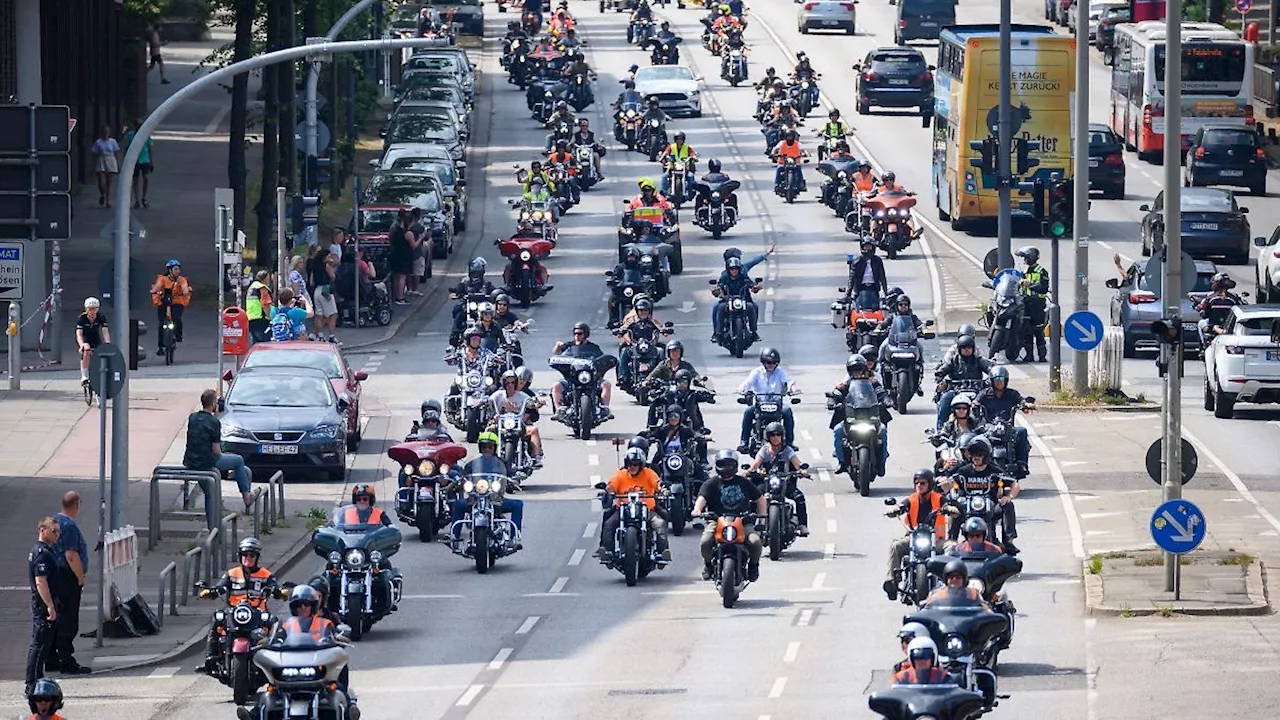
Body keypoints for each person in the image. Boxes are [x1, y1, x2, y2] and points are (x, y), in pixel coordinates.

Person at [197, 537, 280, 673]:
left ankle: (276, 661)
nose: (248, 558)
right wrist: (210, 592)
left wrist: (279, 591)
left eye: (252, 555)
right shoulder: (231, 574)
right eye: (245, 554)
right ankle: (210, 658)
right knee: (217, 618)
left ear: (257, 557)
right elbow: (219, 587)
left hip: (257, 612)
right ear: (240, 556)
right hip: (235, 612)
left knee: (274, 623)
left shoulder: (265, 575)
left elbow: (275, 587)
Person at [693, 449, 766, 582]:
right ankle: (708, 565)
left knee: (755, 542)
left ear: (735, 466)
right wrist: (697, 510)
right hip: (717, 520)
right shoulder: (711, 483)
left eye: (729, 465)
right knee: (705, 541)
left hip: (742, 521)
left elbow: (760, 499)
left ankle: (753, 566)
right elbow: (702, 498)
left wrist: (762, 519)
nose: (726, 468)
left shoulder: (743, 482)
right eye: (723, 464)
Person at [183, 388, 255, 521]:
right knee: (238, 460)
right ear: (213, 404)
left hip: (191, 462)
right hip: (207, 463)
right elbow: (216, 450)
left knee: (209, 492)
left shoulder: (193, 417)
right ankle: (246, 496)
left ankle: (213, 529)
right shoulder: (214, 422)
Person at [883, 469, 952, 601]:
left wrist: (952, 508)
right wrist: (895, 509)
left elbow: (951, 504)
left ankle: (953, 584)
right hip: (914, 538)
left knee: (952, 548)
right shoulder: (912, 499)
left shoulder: (939, 498)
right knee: (896, 545)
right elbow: (902, 505)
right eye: (917, 483)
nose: (919, 486)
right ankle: (892, 582)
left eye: (922, 483)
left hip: (936, 540)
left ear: (930, 484)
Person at [450, 432, 525, 545]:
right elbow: (463, 478)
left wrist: (514, 479)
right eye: (484, 447)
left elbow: (510, 474)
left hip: (496, 500)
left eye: (490, 447)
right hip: (475, 499)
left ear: (495, 448)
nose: (487, 449)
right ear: (480, 448)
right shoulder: (471, 464)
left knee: (518, 504)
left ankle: (514, 537)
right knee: (459, 504)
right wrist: (459, 483)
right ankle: (454, 536)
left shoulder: (502, 463)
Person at [596, 447, 670, 560]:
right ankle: (607, 551)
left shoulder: (649, 473)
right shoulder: (621, 475)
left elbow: (657, 483)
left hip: (648, 510)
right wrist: (609, 492)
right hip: (623, 510)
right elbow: (611, 486)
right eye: (630, 464)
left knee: (660, 524)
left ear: (641, 464)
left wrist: (663, 489)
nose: (632, 467)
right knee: (609, 524)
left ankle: (662, 553)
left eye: (635, 464)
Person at [949, 436, 1020, 554]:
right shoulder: (963, 471)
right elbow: (949, 483)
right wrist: (946, 488)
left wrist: (1009, 497)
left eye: (980, 454)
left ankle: (1009, 541)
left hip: (990, 507)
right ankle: (951, 541)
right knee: (953, 510)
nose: (976, 457)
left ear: (986, 455)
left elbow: (1014, 484)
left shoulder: (995, 471)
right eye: (973, 453)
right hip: (967, 507)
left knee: (1008, 505)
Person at [746, 422, 811, 536]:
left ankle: (802, 524)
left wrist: (802, 470)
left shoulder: (787, 450)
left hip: (783, 482)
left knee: (799, 497)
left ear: (782, 436)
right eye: (772, 435)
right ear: (768, 437)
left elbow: (797, 463)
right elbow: (756, 464)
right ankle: (751, 523)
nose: (775, 438)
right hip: (766, 482)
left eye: (778, 435)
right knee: (753, 497)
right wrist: (748, 471)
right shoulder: (764, 450)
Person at [830, 354, 890, 475]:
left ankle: (882, 462)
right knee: (837, 430)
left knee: (882, 431)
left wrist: (887, 400)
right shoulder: (845, 385)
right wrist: (832, 401)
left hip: (871, 418)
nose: (857, 372)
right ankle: (842, 462)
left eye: (859, 369)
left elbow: (882, 393)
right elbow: (836, 394)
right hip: (851, 419)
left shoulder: (873, 382)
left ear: (864, 370)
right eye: (854, 370)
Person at [50, 493, 90, 675]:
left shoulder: (54, 521)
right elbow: (71, 555)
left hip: (54, 575)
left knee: (56, 617)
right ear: (76, 505)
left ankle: (51, 658)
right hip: (67, 576)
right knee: (68, 619)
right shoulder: (69, 526)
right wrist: (80, 577)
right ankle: (66, 659)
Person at [975, 366, 1032, 477]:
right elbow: (976, 402)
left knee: (1022, 431)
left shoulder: (1012, 394)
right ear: (992, 381)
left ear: (1006, 380)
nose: (999, 382)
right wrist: (974, 405)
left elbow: (1021, 401)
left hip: (1008, 427)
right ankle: (974, 464)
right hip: (989, 427)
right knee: (975, 436)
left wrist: (1026, 405)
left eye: (1002, 379)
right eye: (997, 379)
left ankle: (1022, 463)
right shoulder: (984, 394)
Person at [26, 518, 61, 697]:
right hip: (42, 604)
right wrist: (49, 605)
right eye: (54, 531)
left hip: (45, 602)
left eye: (58, 531)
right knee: (39, 644)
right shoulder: (41, 552)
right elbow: (41, 581)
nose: (57, 534)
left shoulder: (46, 550)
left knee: (43, 644)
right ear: (43, 530)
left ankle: (37, 679)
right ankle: (32, 683)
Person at [738, 348, 797, 450]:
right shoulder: (756, 372)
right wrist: (742, 389)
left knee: (787, 411)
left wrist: (794, 389)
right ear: (763, 362)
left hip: (777, 404)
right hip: (759, 404)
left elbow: (789, 382)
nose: (771, 365)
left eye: (774, 363)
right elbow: (747, 383)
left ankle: (789, 442)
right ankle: (744, 442)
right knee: (748, 411)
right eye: (769, 362)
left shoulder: (780, 372)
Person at [550, 322, 613, 415]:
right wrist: (558, 346)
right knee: (556, 386)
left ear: (586, 334)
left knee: (606, 384)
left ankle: (605, 409)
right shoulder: (568, 346)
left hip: (590, 378)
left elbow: (601, 360)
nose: (577, 336)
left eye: (579, 333)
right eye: (575, 334)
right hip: (572, 378)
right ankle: (559, 410)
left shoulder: (594, 347)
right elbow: (556, 353)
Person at [934, 335, 992, 430]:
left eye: (969, 347)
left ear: (973, 349)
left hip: (976, 390)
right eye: (964, 347)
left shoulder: (978, 360)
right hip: (956, 390)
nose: (967, 350)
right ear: (959, 349)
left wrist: (991, 379)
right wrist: (939, 375)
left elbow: (990, 370)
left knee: (988, 399)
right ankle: (940, 429)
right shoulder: (954, 360)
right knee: (945, 397)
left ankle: (990, 426)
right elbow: (943, 370)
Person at [489, 370, 545, 467]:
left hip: (519, 425)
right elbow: (489, 402)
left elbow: (531, 404)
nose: (510, 385)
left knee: (533, 430)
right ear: (503, 383)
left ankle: (536, 457)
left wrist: (537, 404)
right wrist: (493, 414)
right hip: (500, 424)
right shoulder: (498, 395)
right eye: (507, 382)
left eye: (513, 382)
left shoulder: (523, 396)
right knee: (488, 431)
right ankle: (485, 457)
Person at [711, 255, 761, 343]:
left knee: (753, 306)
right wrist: (716, 291)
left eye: (736, 269)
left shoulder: (743, 276)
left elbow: (751, 285)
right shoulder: (724, 277)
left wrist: (755, 287)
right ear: (728, 269)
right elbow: (719, 288)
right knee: (718, 307)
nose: (734, 271)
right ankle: (717, 333)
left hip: (743, 301)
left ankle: (754, 332)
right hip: (727, 301)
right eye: (732, 269)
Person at [1016, 246, 1049, 361]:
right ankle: (1029, 355)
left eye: (1025, 257)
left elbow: (1043, 287)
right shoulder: (1024, 271)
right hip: (1025, 304)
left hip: (1037, 305)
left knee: (1038, 331)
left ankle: (1042, 356)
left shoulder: (1042, 271)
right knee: (1026, 331)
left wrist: (1030, 284)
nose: (1024, 260)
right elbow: (1018, 283)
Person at [1196, 271, 1245, 343]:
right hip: (1230, 326)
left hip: (1213, 326)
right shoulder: (1233, 298)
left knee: (1200, 323)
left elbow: (1205, 314)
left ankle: (1203, 345)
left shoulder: (1210, 298)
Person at [75, 297, 110, 385]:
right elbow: (79, 334)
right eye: (90, 309)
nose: (92, 312)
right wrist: (81, 345)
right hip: (86, 339)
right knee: (86, 349)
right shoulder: (81, 318)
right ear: (86, 309)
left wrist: (107, 343)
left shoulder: (101, 317)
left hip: (96, 339)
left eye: (95, 309)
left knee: (102, 352)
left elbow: (105, 332)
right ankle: (84, 376)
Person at [389, 209, 420, 306]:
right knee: (402, 277)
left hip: (395, 254)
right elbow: (414, 245)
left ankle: (395, 296)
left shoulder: (395, 230)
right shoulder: (407, 233)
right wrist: (421, 237)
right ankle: (400, 297)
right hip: (404, 256)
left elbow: (391, 240)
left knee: (396, 276)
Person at [847, 238, 887, 310]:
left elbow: (882, 277)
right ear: (862, 247)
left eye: (869, 247)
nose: (867, 249)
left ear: (873, 247)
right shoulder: (856, 262)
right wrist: (848, 294)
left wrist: (886, 292)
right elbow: (851, 278)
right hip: (860, 289)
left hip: (874, 289)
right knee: (853, 309)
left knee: (880, 309)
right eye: (865, 247)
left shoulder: (878, 261)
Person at [124, 119, 155, 208]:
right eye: (138, 125)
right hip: (134, 160)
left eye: (141, 125)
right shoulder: (130, 135)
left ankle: (144, 197)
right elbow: (126, 148)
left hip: (144, 159)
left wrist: (151, 162)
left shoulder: (146, 135)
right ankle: (137, 199)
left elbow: (150, 148)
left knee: (146, 177)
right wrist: (126, 160)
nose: (139, 127)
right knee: (135, 179)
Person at [311, 248, 339, 342]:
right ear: (324, 257)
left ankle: (315, 334)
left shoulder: (315, 266)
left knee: (319, 314)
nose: (330, 257)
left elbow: (311, 282)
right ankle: (331, 335)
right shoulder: (327, 266)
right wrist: (331, 265)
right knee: (332, 314)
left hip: (317, 290)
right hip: (325, 291)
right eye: (329, 256)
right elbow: (333, 277)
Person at [660, 131, 698, 199]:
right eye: (678, 139)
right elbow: (666, 152)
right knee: (664, 177)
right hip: (672, 168)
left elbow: (692, 154)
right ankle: (664, 194)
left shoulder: (687, 148)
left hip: (684, 168)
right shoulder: (671, 147)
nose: (679, 141)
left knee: (691, 176)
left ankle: (689, 193)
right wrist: (662, 157)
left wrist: (694, 157)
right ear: (675, 140)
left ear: (683, 140)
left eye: (681, 139)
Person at [90, 126, 120, 207]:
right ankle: (102, 194)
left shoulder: (113, 142)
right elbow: (94, 154)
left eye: (107, 132)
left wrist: (118, 164)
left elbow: (116, 153)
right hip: (101, 160)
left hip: (110, 160)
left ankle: (107, 200)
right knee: (102, 182)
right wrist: (93, 165)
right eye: (104, 132)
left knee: (109, 183)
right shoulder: (98, 142)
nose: (106, 133)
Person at [246, 269, 274, 343]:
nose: (269, 280)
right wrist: (272, 318)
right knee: (263, 344)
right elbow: (266, 305)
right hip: (261, 320)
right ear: (264, 279)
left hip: (251, 319)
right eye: (268, 278)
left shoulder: (252, 287)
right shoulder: (262, 288)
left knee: (255, 344)